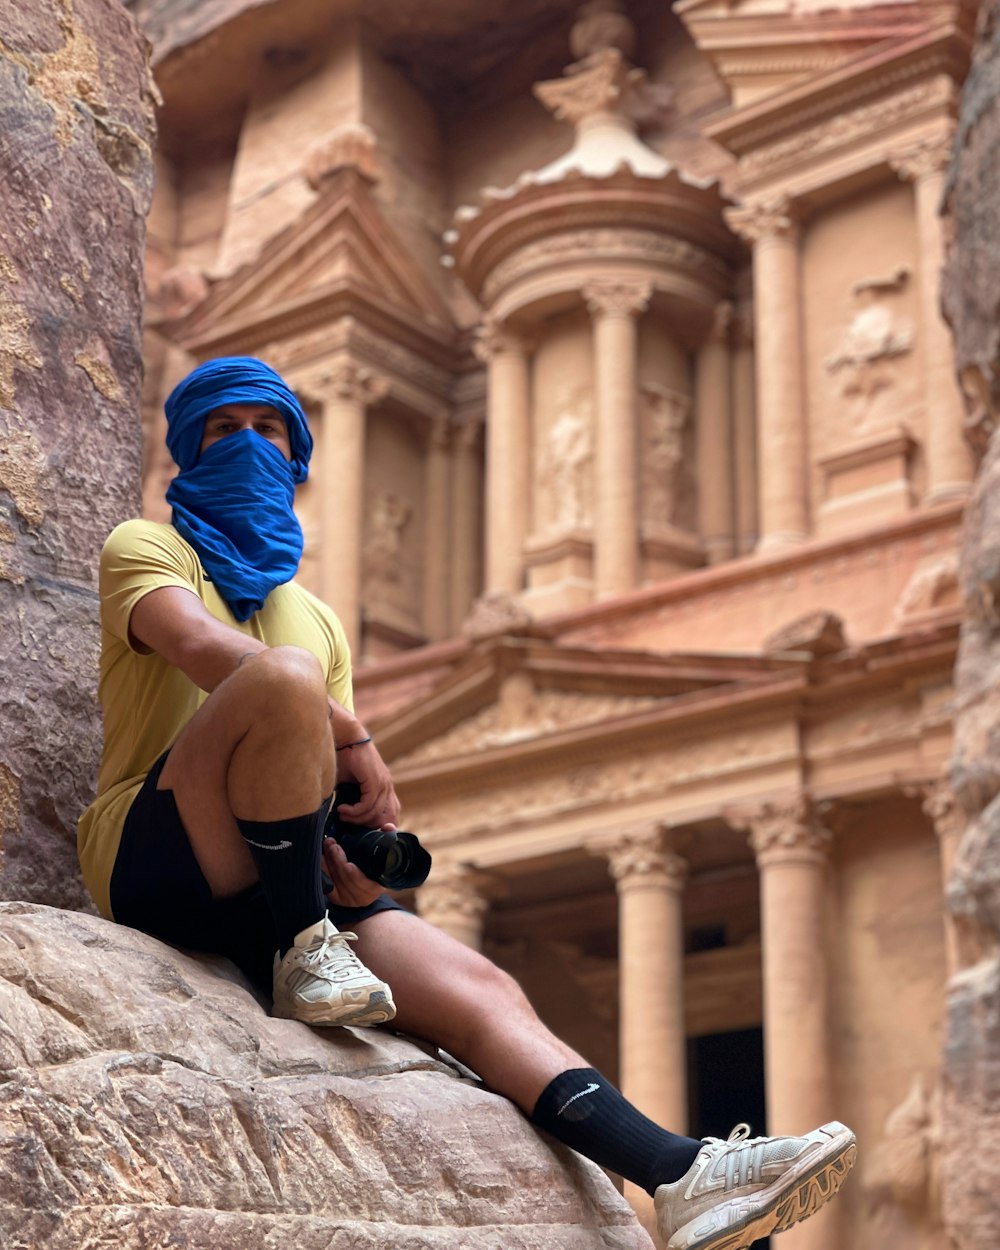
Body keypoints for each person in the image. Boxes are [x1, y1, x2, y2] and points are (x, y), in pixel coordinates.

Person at [77, 356, 856, 1250]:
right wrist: (358, 741)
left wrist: (356, 861)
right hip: (159, 850)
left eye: (270, 431)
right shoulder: (146, 548)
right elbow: (198, 646)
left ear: (297, 460)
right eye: (224, 430)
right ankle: (304, 949)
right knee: (282, 681)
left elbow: (305, 770)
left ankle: (677, 1174)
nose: (249, 446)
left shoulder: (317, 618)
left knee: (484, 988)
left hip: (276, 878)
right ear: (184, 451)